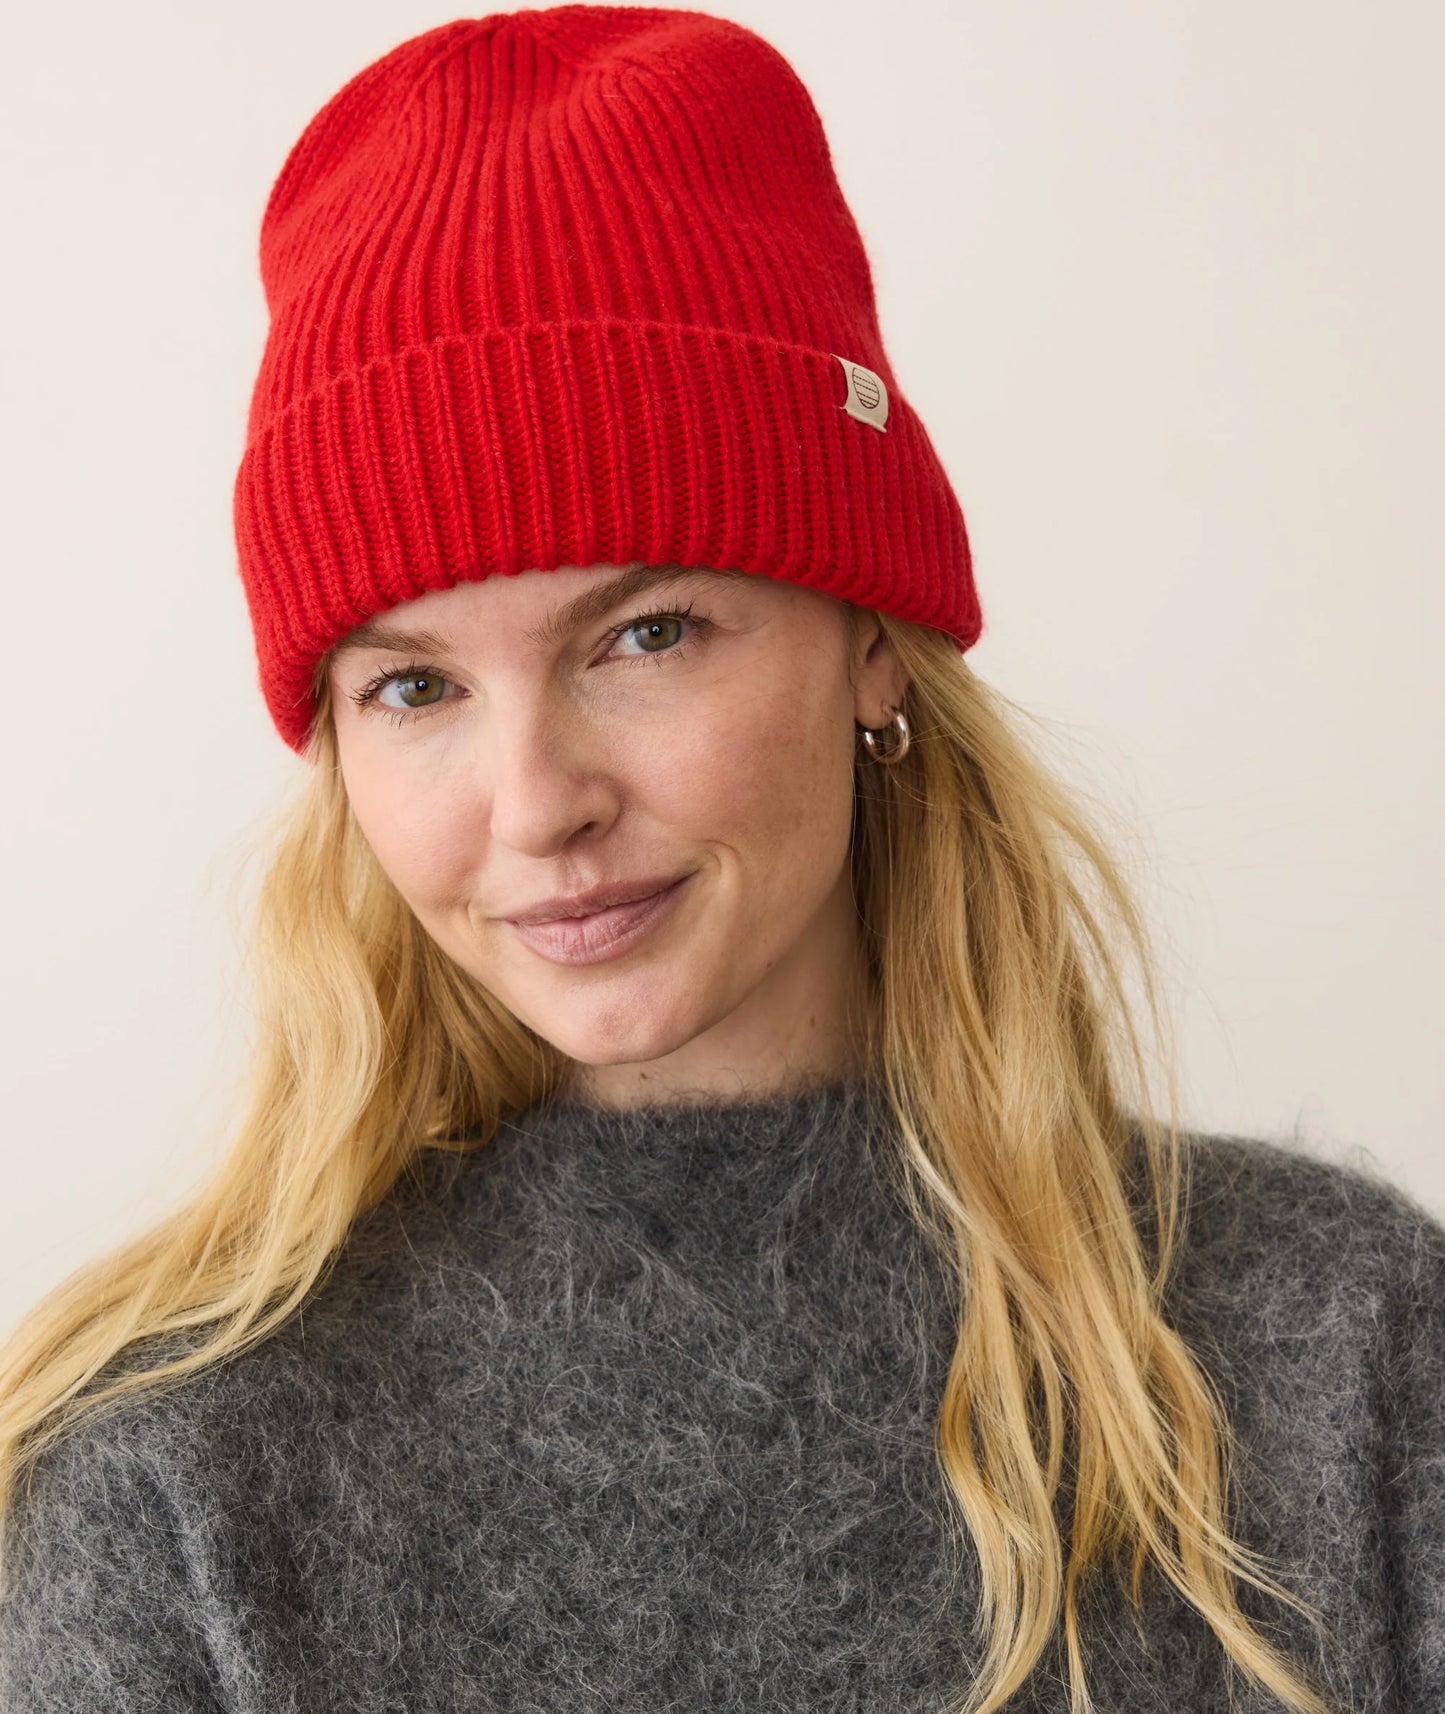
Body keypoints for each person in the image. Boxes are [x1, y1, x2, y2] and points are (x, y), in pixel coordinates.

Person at [0, 8, 1440, 1713]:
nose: (534, 803)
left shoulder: (1336, 1347)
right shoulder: (168, 1471)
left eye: (645, 634)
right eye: (413, 687)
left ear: (869, 642)